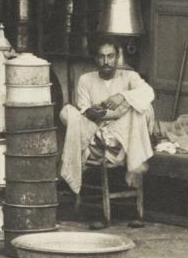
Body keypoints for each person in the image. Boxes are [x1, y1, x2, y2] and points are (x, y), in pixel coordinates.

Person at [58, 37, 155, 215]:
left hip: (123, 138)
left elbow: (148, 92)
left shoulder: (129, 77)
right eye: (101, 57)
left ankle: (134, 165)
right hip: (96, 138)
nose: (106, 62)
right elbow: (84, 111)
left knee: (142, 109)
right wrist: (96, 112)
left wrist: (123, 97)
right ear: (96, 58)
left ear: (117, 57)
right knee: (67, 112)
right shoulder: (86, 80)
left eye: (110, 56)